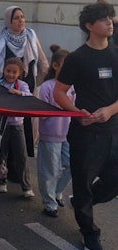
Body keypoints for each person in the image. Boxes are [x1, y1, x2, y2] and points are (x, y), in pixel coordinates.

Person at [53, 2, 118, 250]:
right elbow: (60, 92)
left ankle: (83, 200)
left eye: (110, 17)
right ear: (89, 26)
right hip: (85, 133)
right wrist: (76, 113)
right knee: (82, 181)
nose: (110, 22)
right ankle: (90, 233)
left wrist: (110, 111)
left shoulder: (115, 54)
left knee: (112, 181)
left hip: (113, 130)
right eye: (103, 19)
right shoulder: (77, 58)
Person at [0, 6, 48, 156]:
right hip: (6, 91)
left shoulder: (31, 36)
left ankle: (19, 164)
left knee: (26, 127)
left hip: (26, 90)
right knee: (6, 127)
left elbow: (42, 63)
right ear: (8, 21)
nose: (21, 21)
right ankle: (4, 161)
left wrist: (38, 83)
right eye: (16, 18)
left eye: (22, 17)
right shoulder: (0, 40)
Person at [37, 46, 74, 217]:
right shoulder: (46, 87)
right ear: (55, 66)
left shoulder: (72, 87)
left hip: (68, 133)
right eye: (65, 66)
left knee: (71, 165)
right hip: (50, 135)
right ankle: (49, 203)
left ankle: (57, 192)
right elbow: (41, 114)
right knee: (49, 169)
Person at [0, 56, 35, 196]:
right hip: (0, 126)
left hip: (17, 125)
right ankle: (1, 181)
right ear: (3, 70)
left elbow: (29, 96)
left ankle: (26, 186)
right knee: (0, 155)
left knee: (21, 156)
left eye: (14, 72)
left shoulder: (21, 85)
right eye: (8, 71)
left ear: (19, 73)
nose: (10, 74)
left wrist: (19, 93)